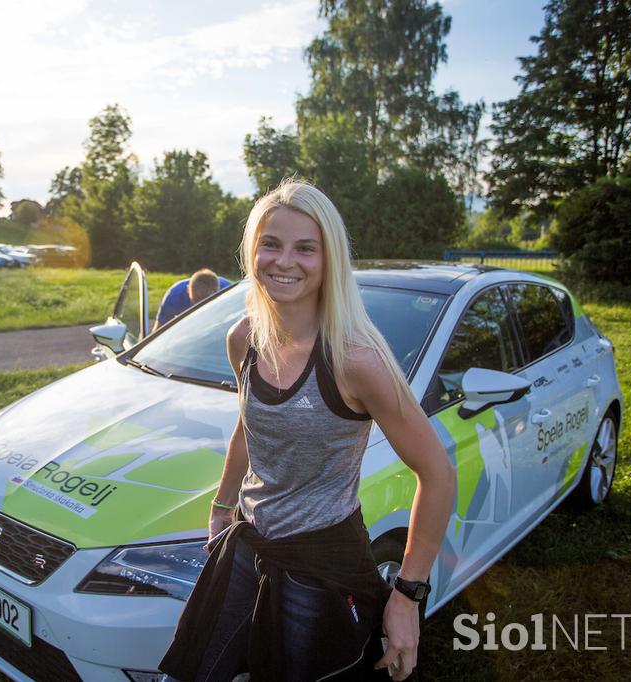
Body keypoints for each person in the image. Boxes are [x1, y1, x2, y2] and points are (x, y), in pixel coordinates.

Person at [158, 180, 455, 681]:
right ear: (252, 251)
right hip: (248, 540)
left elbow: (437, 472)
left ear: (329, 259)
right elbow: (248, 429)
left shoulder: (356, 360)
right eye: (270, 244)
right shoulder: (243, 339)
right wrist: (221, 506)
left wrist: (407, 596)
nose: (284, 261)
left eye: (305, 248)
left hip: (322, 563)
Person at [153, 269, 231, 332]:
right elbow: (158, 331)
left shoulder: (229, 292)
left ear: (219, 293)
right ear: (187, 290)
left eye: (206, 304)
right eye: (196, 302)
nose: (200, 309)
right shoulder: (175, 295)